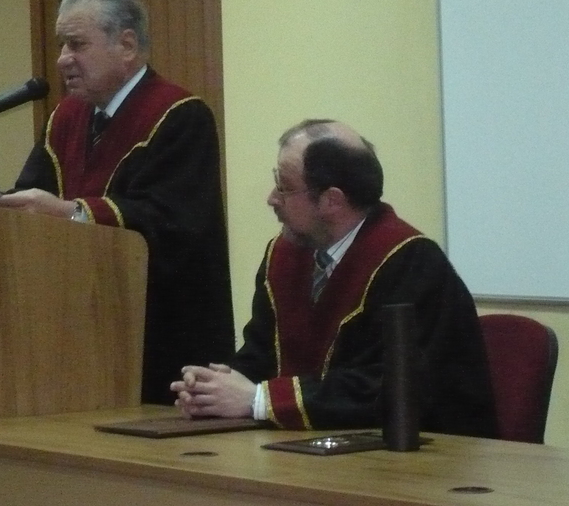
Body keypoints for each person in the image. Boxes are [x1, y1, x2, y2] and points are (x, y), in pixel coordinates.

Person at [171, 119, 498, 435]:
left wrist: (259, 400)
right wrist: (216, 389)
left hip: (419, 457)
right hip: (305, 449)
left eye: (284, 187)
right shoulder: (284, 256)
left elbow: (392, 386)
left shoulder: (411, 264)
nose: (272, 198)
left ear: (332, 200)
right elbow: (262, 353)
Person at [0, 0, 235, 404]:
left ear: (126, 45)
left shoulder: (180, 115)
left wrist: (74, 213)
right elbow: (32, 193)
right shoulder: (66, 116)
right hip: (76, 324)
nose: (62, 59)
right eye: (61, 45)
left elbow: (174, 222)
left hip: (158, 329)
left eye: (76, 44)